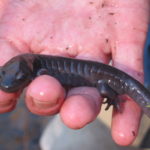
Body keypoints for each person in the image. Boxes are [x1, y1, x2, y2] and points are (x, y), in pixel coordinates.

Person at [0, 0, 149, 146]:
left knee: (103, 90)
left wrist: (113, 98)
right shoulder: (31, 65)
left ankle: (116, 98)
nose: (8, 84)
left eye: (19, 79)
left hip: (108, 79)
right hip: (109, 75)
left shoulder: (38, 69)